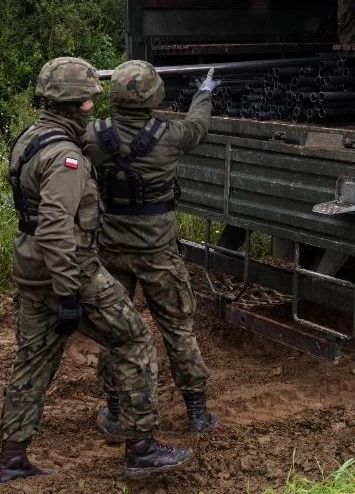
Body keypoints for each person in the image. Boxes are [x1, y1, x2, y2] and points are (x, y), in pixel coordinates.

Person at [0, 56, 192, 483]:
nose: (93, 105)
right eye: (90, 98)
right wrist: (69, 292)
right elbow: (54, 227)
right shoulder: (65, 157)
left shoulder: (30, 137)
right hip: (68, 272)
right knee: (134, 339)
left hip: (31, 270)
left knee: (33, 363)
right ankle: (140, 446)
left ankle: (12, 460)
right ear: (81, 102)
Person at [85, 60, 219, 441]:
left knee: (116, 332)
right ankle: (197, 414)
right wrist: (204, 93)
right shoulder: (171, 135)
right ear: (154, 96)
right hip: (158, 251)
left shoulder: (93, 135)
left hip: (111, 248)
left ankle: (114, 412)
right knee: (178, 328)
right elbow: (199, 125)